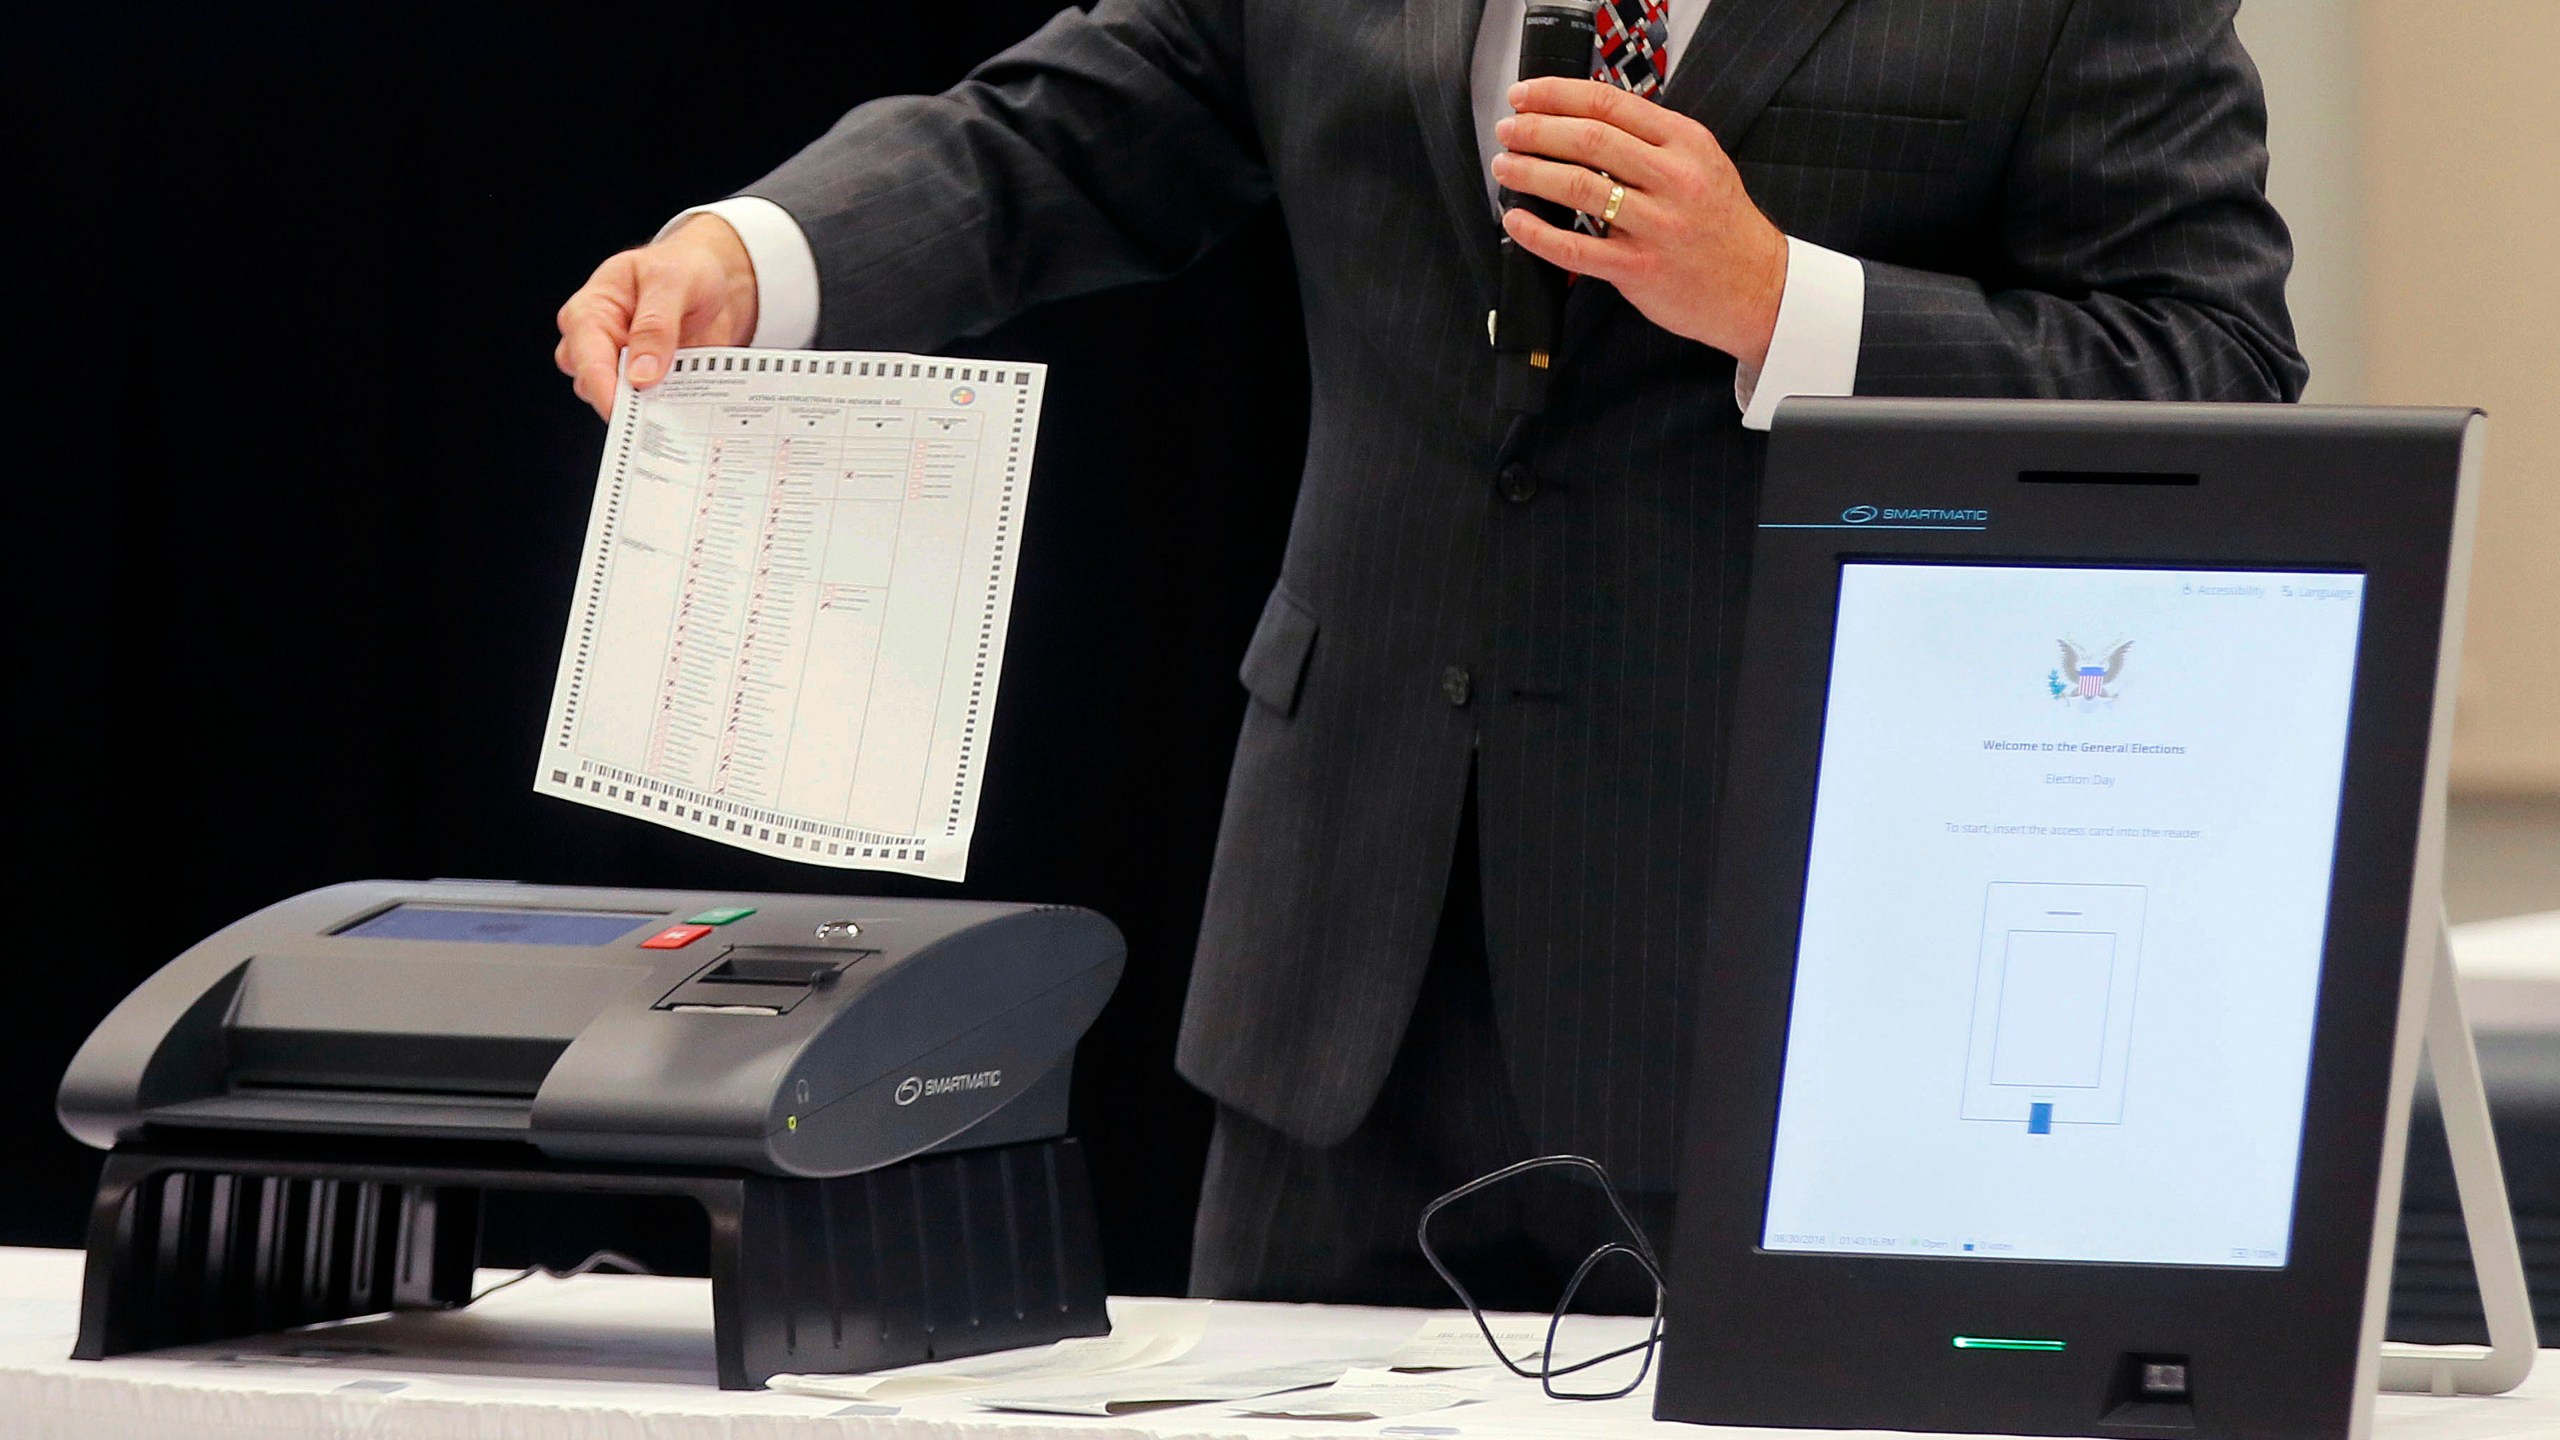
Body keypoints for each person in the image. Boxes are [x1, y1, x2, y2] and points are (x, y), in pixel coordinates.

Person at [555, 0, 2305, 1311]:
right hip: (1342, 988)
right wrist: (754, 253)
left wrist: (1788, 304)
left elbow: (2215, 368)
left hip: (1794, 985)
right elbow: (1057, 136)